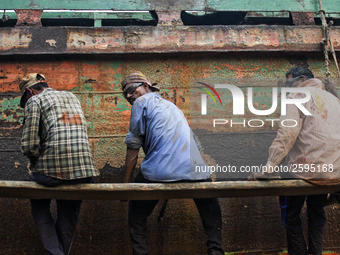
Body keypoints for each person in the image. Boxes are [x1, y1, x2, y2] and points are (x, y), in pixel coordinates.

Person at [121, 72, 224, 255]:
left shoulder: (141, 103)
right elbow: (196, 146)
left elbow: (133, 146)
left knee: (136, 215)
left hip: (158, 172)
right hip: (196, 171)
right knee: (210, 206)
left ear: (146, 86)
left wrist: (127, 186)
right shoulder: (173, 107)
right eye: (125, 94)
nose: (128, 96)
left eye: (130, 89)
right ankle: (216, 250)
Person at [249, 66, 340, 255]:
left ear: (301, 79)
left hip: (306, 172)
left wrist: (269, 168)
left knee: (290, 215)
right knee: (317, 213)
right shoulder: (334, 100)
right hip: (333, 173)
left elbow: (287, 134)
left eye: (289, 82)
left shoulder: (297, 96)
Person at [19, 73, 100, 255]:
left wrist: (34, 164)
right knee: (68, 212)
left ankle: (55, 253)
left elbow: (30, 145)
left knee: (39, 203)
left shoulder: (34, 101)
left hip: (51, 174)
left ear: (29, 91)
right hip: (84, 173)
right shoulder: (72, 96)